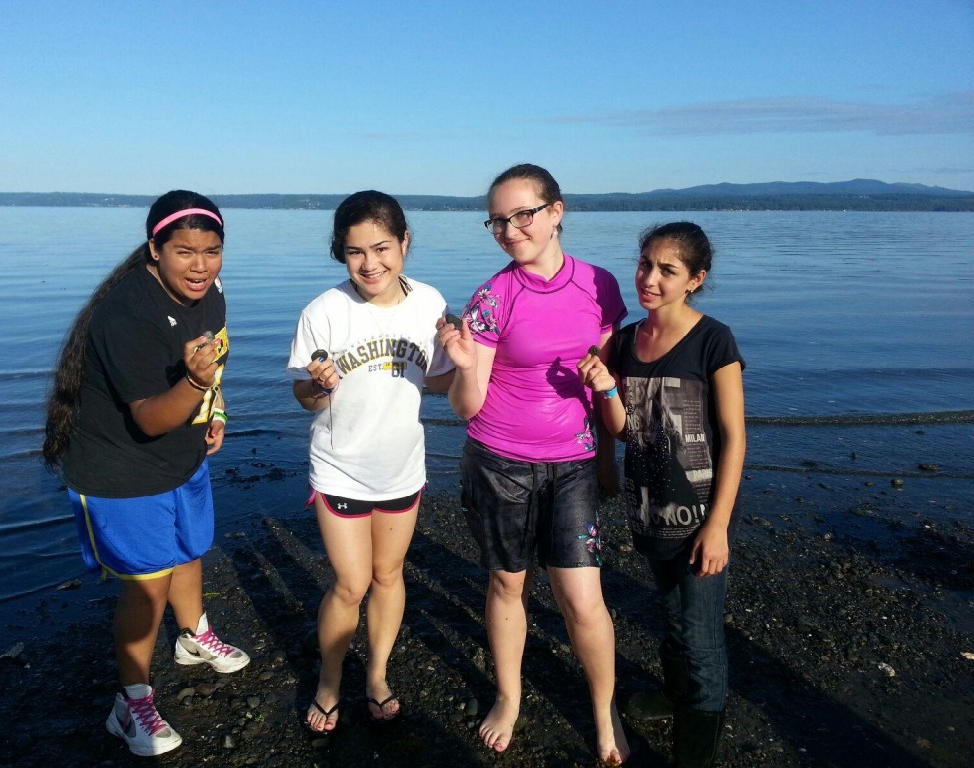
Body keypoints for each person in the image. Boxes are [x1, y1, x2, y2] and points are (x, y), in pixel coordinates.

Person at [43, 191, 249, 757]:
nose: (201, 265)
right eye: (184, 252)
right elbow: (152, 418)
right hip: (119, 467)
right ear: (154, 249)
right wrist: (197, 386)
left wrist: (216, 406)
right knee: (146, 583)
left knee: (189, 547)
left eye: (212, 251)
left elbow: (212, 360)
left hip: (180, 455)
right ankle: (129, 701)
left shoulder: (213, 294)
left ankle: (192, 636)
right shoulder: (125, 314)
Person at [436, 163, 630, 765]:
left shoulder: (600, 287)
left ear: (556, 211)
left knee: (582, 598)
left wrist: (606, 459)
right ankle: (510, 696)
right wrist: (466, 366)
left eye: (523, 214)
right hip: (498, 461)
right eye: (498, 219)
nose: (509, 229)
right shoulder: (493, 296)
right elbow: (469, 409)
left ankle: (605, 711)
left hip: (572, 463)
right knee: (506, 584)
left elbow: (601, 376)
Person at [288, 190, 455, 733]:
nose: (369, 264)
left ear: (405, 242)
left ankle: (378, 674)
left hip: (403, 465)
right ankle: (331, 680)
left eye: (381, 248)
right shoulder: (324, 312)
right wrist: (317, 386)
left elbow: (437, 380)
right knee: (351, 583)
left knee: (389, 575)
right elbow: (304, 398)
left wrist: (469, 358)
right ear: (341, 253)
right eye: (355, 252)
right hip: (341, 465)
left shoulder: (429, 303)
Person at [581, 222, 746, 768]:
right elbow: (626, 427)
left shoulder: (713, 340)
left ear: (695, 280)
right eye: (645, 263)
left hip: (701, 519)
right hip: (649, 509)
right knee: (672, 616)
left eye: (667, 270)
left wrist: (718, 524)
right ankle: (675, 699)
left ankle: (693, 752)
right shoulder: (627, 340)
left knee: (701, 639)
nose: (649, 278)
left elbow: (734, 437)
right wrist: (606, 396)